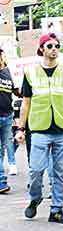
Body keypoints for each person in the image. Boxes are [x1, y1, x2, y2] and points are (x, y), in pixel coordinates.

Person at [16, 33, 63, 224]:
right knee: (36, 171)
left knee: (60, 173)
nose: (54, 49)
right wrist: (20, 129)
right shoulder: (30, 73)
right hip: (39, 129)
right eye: (49, 46)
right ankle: (35, 197)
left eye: (57, 46)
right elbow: (26, 104)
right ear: (42, 49)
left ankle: (56, 210)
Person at [0, 48, 19, 181]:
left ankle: (12, 163)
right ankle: (1, 177)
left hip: (8, 114)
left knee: (9, 141)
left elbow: (15, 91)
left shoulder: (8, 72)